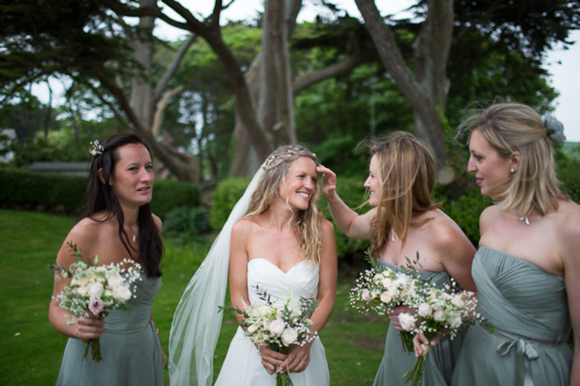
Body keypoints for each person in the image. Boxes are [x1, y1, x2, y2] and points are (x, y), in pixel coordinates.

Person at [317, 131, 476, 386]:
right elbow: (350, 225)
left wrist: (433, 315)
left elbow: (482, 295)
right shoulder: (386, 216)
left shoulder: (443, 235)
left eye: (373, 176)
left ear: (397, 181)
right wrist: (331, 196)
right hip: (398, 345)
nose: (366, 183)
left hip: (435, 348)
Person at [168, 145, 337, 386]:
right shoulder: (244, 230)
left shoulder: (323, 231)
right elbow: (238, 297)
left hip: (303, 355)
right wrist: (262, 344)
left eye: (313, 179)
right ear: (277, 178)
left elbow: (327, 295)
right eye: (301, 176)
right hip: (252, 353)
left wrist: (306, 341)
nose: (310, 186)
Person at [437, 103, 579, 385]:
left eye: (478, 156)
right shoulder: (489, 218)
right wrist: (437, 317)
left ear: (514, 160)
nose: (469, 167)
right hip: (475, 364)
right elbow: (489, 301)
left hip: (533, 373)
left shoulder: (572, 229)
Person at [49, 133, 165, 385]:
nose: (146, 177)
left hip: (144, 351)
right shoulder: (85, 233)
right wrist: (77, 327)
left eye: (148, 167)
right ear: (106, 177)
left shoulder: (154, 226)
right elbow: (57, 307)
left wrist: (155, 340)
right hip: (98, 357)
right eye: (133, 169)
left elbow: (142, 298)